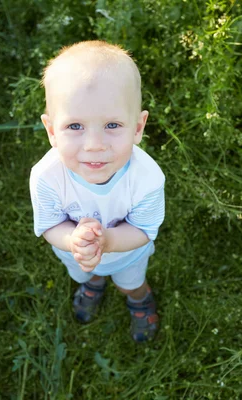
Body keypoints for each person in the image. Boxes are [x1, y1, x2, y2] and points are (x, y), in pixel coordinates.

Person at [29, 40, 165, 342]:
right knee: (86, 272)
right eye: (75, 126)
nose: (94, 144)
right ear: (52, 131)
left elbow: (144, 229)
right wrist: (73, 240)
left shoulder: (147, 179)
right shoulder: (46, 177)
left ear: (138, 127)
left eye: (112, 125)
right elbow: (50, 224)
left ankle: (138, 298)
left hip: (127, 254)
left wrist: (109, 240)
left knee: (130, 282)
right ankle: (93, 283)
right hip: (73, 254)